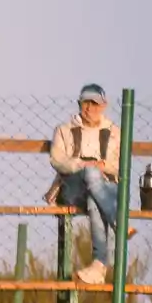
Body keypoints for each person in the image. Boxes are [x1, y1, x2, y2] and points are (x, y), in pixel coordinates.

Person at [47, 85, 121, 284]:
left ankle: (98, 266)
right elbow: (57, 160)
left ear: (104, 105)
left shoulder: (115, 132)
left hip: (104, 187)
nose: (89, 108)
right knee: (89, 173)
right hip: (73, 187)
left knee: (95, 198)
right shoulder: (64, 130)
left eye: (94, 103)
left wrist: (103, 166)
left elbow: (121, 167)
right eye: (85, 103)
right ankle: (118, 222)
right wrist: (83, 164)